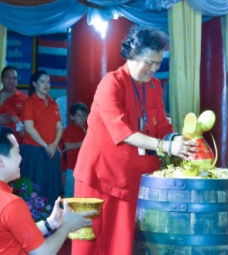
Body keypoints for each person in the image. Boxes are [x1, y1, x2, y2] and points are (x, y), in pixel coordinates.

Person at [72, 26, 198, 255]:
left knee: (122, 246)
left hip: (131, 181)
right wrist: (165, 146)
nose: (154, 69)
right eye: (149, 62)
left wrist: (179, 140)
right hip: (95, 178)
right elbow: (122, 132)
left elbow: (162, 125)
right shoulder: (110, 83)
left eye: (158, 63)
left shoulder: (154, 86)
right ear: (133, 53)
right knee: (87, 245)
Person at [0, 126, 96, 255]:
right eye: (17, 152)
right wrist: (66, 226)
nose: (21, 158)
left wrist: (50, 223)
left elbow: (21, 233)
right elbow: (43, 252)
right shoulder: (10, 204)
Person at [20, 70, 63, 206]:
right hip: (34, 151)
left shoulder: (53, 103)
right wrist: (46, 145)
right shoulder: (29, 103)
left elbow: (59, 127)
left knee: (51, 187)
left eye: (48, 82)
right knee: (35, 187)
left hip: (51, 151)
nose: (46, 85)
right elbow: (29, 128)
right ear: (34, 84)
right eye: (42, 82)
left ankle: (51, 218)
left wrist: (55, 145)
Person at [62, 101, 88, 198]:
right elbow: (68, 146)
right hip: (73, 167)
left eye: (84, 115)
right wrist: (86, 142)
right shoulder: (69, 130)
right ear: (72, 117)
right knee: (70, 195)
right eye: (79, 115)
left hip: (85, 167)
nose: (82, 118)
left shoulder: (87, 128)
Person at [0, 65, 28, 144]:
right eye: (8, 77)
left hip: (18, 145)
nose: (11, 81)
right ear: (2, 79)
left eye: (14, 78)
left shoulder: (25, 99)